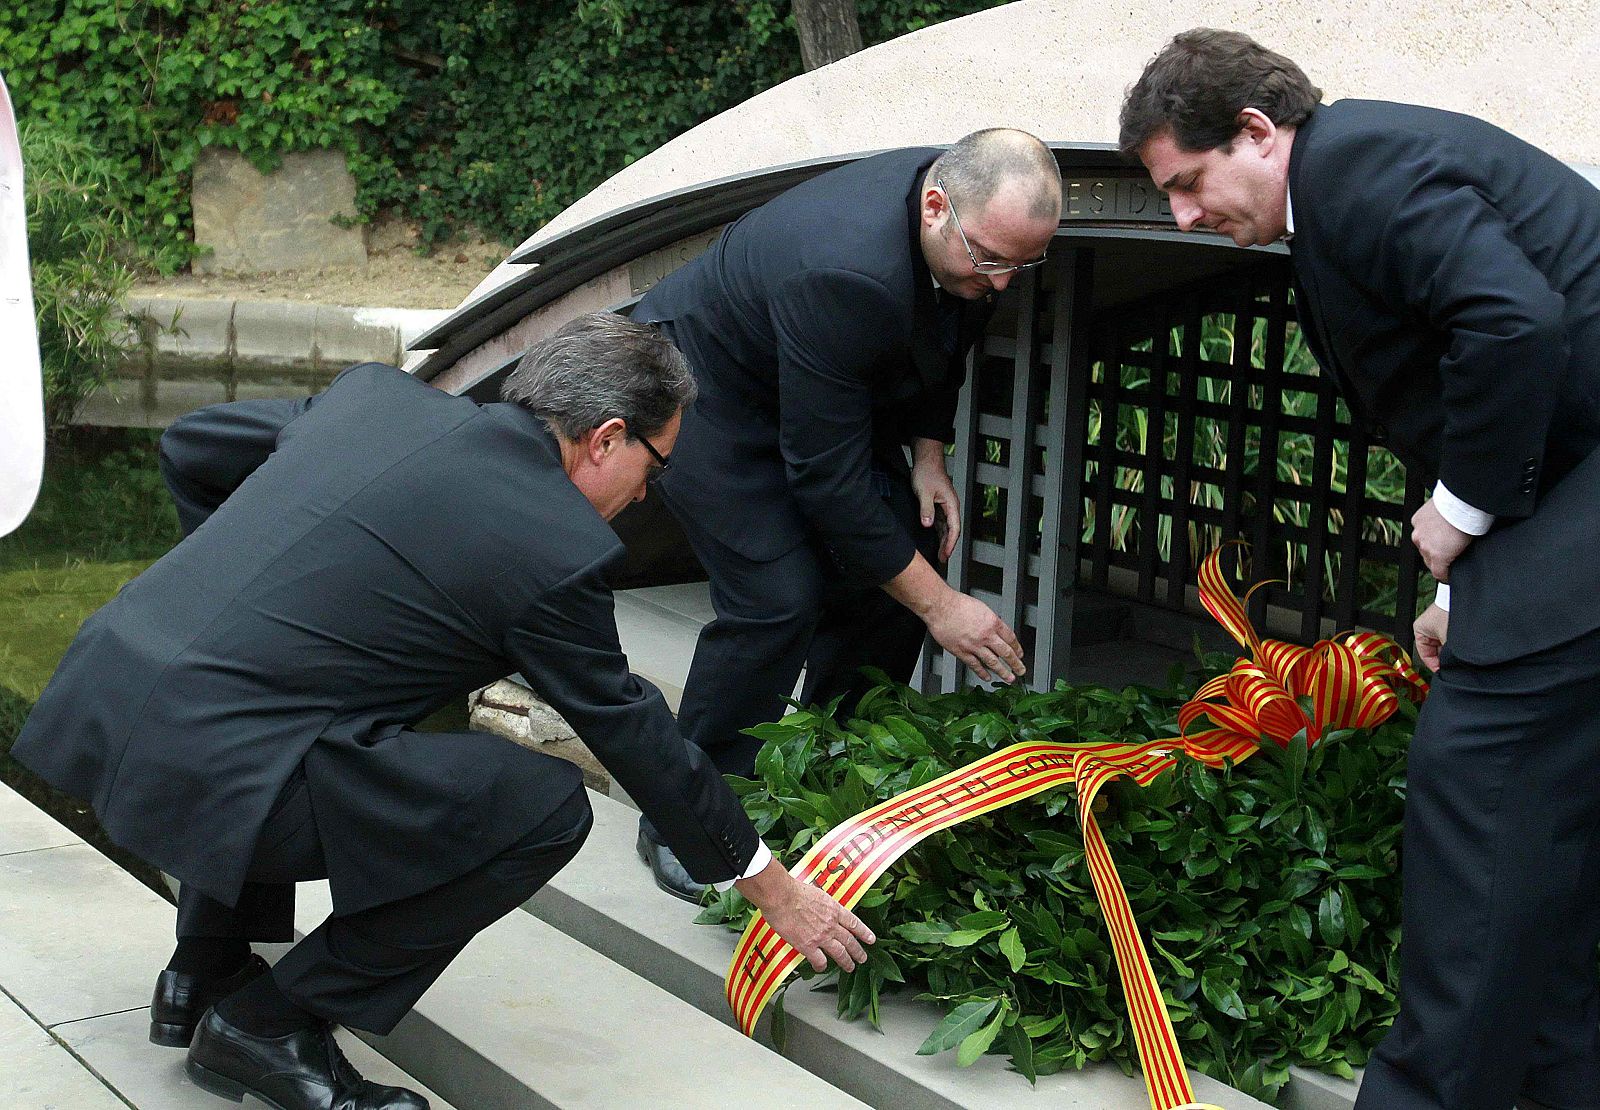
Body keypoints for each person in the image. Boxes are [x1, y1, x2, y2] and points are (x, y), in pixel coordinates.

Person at [11, 314, 874, 1110]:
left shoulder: (375, 400)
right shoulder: (550, 543)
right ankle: (270, 1024)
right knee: (542, 808)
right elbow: (635, 733)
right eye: (658, 465)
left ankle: (200, 972)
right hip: (208, 765)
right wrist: (770, 887)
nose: (650, 494)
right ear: (605, 440)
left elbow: (192, 444)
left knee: (326, 709)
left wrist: (232, 589)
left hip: (101, 703)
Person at [1120, 29, 1600, 1110]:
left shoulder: (1359, 166)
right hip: (1568, 500)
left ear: (1256, 131)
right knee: (1545, 830)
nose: (1183, 219)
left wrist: (1457, 511)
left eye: (1188, 185)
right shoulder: (1346, 179)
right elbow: (1470, 392)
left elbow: (1513, 326)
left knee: (1471, 796)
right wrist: (1453, 592)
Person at [631, 128, 1062, 900]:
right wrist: (943, 608)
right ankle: (688, 822)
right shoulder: (847, 270)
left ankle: (825, 769)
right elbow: (826, 483)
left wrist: (930, 456)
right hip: (706, 391)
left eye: (1022, 266)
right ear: (935, 207)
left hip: (814, 387)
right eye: (991, 259)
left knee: (907, 548)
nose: (1001, 282)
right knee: (775, 599)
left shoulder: (962, 241)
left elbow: (950, 330)